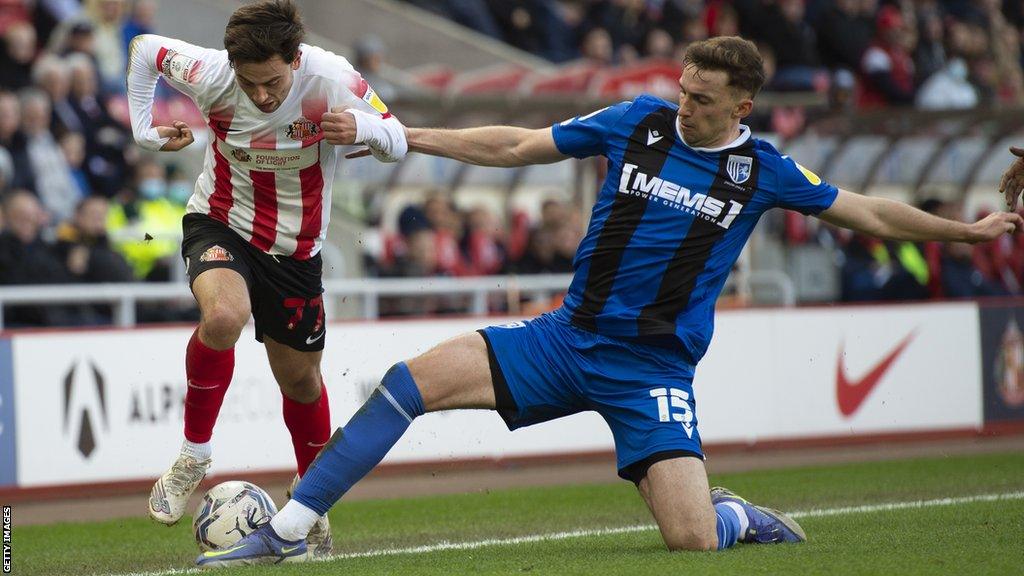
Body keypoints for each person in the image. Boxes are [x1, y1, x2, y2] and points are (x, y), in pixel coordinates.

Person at [198, 36, 1022, 567]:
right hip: (565, 337)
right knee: (406, 383)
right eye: (683, 87)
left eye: (702, 98)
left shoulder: (764, 169)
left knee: (690, 540)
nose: (683, 103)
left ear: (742, 107)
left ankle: (733, 516)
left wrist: (974, 232)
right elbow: (516, 146)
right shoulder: (637, 122)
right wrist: (400, 136)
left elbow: (870, 212)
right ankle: (287, 532)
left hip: (652, 367)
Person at [125, 0, 407, 557]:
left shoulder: (331, 78)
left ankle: (311, 498)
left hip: (295, 252)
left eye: (272, 82)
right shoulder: (209, 71)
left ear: (296, 60)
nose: (260, 95)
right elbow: (142, 52)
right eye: (249, 83)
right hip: (220, 221)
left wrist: (364, 128)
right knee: (224, 315)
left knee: (300, 382)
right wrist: (143, 131)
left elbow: (398, 138)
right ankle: (194, 454)